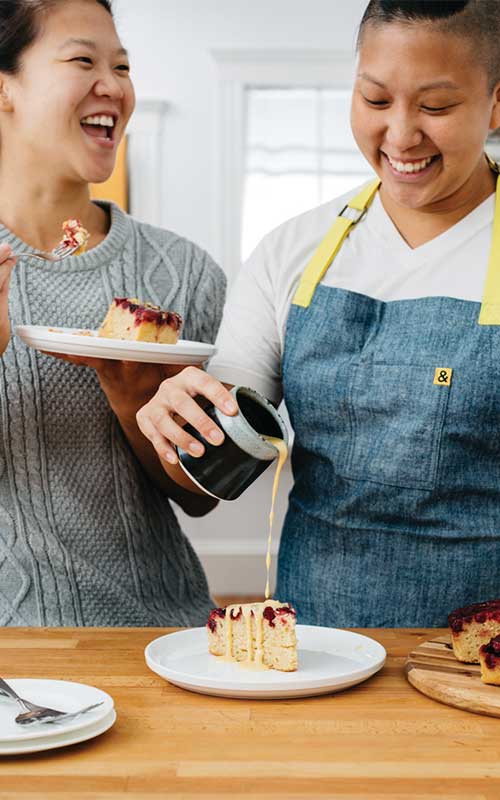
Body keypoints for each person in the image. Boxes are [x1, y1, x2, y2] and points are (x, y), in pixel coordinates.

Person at [137, 0, 500, 628]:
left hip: (479, 656)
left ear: (496, 105)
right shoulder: (293, 249)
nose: (401, 135)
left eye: (436, 107)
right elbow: (219, 452)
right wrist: (180, 416)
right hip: (314, 641)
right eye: (375, 99)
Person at [0, 0, 226, 627]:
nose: (115, 86)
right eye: (82, 60)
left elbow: (200, 498)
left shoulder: (183, 271)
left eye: (122, 66)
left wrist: (134, 401)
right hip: (16, 659)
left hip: (167, 633)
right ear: (5, 88)